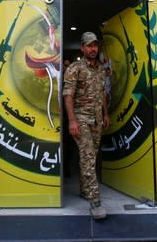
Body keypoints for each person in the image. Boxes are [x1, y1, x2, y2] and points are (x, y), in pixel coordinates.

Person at [62, 31, 111, 219]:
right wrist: (72, 120)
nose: (93, 49)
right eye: (89, 45)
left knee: (91, 156)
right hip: (81, 119)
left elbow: (102, 93)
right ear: (82, 47)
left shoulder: (100, 69)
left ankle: (84, 189)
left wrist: (105, 113)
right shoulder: (75, 68)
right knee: (88, 157)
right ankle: (95, 200)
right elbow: (68, 95)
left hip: (97, 120)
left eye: (95, 45)